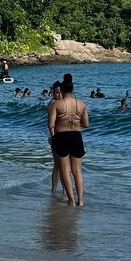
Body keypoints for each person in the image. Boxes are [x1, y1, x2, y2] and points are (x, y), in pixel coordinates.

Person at [48, 77, 88, 206]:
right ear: (72, 89)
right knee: (77, 170)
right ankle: (80, 201)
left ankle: (71, 201)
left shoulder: (56, 104)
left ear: (62, 90)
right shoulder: (81, 103)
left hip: (62, 137)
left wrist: (63, 123)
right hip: (76, 136)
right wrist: (74, 122)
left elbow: (51, 125)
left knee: (65, 170)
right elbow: (86, 124)